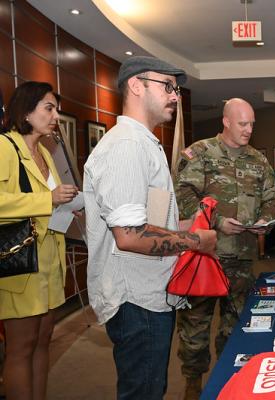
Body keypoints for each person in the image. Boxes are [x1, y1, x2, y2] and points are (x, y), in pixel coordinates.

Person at [83, 56, 217, 400]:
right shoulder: (127, 146)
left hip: (150, 294)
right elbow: (129, 237)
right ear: (135, 85)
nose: (175, 96)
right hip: (136, 300)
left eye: (176, 89)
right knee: (143, 391)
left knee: (151, 387)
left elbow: (151, 224)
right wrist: (195, 241)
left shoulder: (144, 144)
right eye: (167, 86)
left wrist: (189, 224)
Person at [174, 98, 275, 399]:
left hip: (242, 260)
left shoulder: (258, 160)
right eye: (243, 124)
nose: (249, 130)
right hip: (204, 258)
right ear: (226, 121)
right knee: (195, 329)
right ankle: (193, 384)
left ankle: (227, 384)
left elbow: (272, 199)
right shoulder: (200, 154)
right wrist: (217, 221)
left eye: (252, 125)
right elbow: (182, 196)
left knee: (236, 327)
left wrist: (265, 220)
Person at [0, 81, 78, 400]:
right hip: (20, 264)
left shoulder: (45, 150)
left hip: (49, 263)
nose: (55, 115)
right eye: (49, 107)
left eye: (55, 108)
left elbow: (52, 202)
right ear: (27, 111)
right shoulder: (5, 146)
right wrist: (48, 200)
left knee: (44, 340)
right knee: (21, 347)